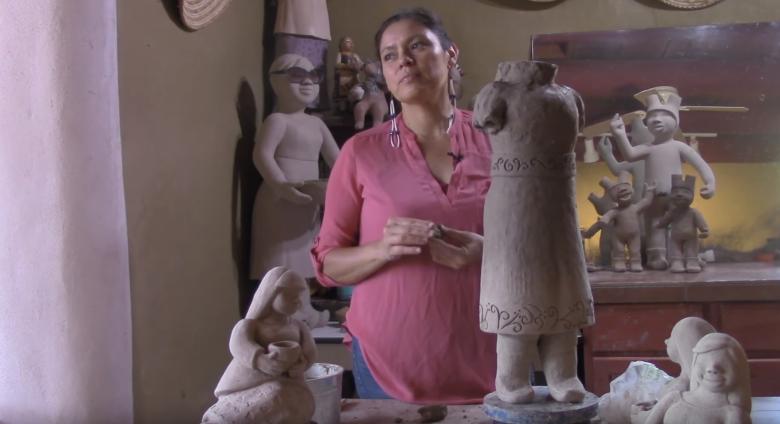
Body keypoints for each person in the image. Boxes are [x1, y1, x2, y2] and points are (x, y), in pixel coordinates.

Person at [310, 8, 496, 404]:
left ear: (450, 55)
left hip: (493, 357)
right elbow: (327, 265)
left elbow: (540, 247)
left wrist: (490, 253)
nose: (404, 61)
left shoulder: (497, 143)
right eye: (390, 55)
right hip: (388, 363)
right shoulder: (361, 152)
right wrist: (383, 249)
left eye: (417, 46)